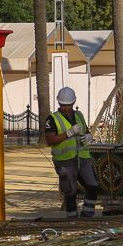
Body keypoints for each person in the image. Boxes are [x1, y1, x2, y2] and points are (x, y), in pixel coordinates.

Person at [42, 86, 101, 218]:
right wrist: (68, 133)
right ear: (59, 103)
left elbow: (85, 131)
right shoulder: (52, 119)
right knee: (70, 191)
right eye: (63, 105)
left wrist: (88, 136)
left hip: (83, 158)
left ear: (73, 103)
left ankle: (87, 214)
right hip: (65, 161)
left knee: (93, 185)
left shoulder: (79, 115)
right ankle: (72, 217)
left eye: (68, 105)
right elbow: (50, 140)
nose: (66, 108)